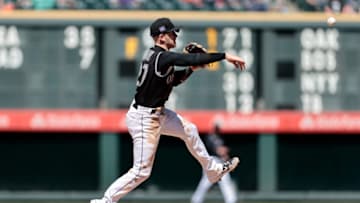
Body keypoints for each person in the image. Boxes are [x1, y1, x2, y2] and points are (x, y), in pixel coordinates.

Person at [90, 17, 245, 203]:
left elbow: (173, 80)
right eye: (172, 32)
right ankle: (105, 201)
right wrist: (224, 55)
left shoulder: (159, 58)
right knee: (141, 171)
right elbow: (190, 58)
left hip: (157, 114)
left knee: (190, 130)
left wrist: (191, 69)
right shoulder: (161, 57)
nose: (175, 35)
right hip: (144, 119)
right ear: (162, 37)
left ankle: (213, 170)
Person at [191, 123, 238, 203]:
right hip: (212, 161)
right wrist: (226, 152)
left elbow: (222, 151)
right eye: (216, 127)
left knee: (224, 181)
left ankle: (231, 200)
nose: (218, 129)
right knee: (206, 182)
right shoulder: (211, 137)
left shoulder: (219, 137)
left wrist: (226, 157)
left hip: (218, 161)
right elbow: (219, 150)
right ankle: (196, 199)